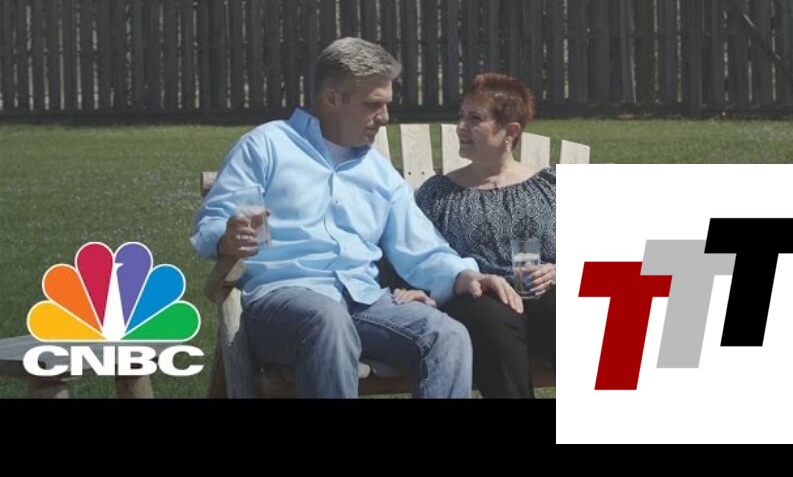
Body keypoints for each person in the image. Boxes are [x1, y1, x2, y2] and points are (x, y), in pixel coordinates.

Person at [190, 38, 522, 399]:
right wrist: (226, 238)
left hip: (364, 302)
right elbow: (214, 220)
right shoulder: (266, 146)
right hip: (283, 303)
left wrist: (462, 274)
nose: (385, 116)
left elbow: (420, 247)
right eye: (373, 104)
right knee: (327, 319)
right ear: (332, 99)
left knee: (448, 335)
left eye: (386, 103)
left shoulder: (378, 171)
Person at [414, 73, 555, 398]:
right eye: (461, 116)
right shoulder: (438, 194)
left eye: (475, 119)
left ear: (511, 132)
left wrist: (560, 271)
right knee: (491, 320)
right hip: (478, 300)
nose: (461, 127)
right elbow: (418, 255)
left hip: (543, 295)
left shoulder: (550, 185)